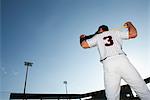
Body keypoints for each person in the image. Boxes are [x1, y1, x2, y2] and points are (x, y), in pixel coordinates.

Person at [80, 21, 150, 100]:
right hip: (122, 60)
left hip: (108, 64)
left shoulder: (97, 36)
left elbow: (84, 45)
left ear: (100, 30)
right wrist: (129, 24)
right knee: (141, 87)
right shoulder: (115, 32)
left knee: (112, 97)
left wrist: (82, 37)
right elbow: (133, 34)